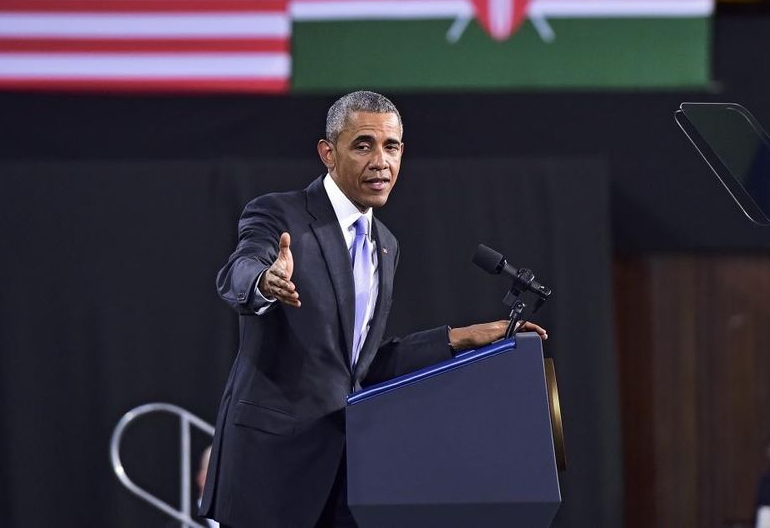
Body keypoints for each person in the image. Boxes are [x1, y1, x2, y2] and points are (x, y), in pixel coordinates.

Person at [200, 90, 547, 528]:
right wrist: (264, 281)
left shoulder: (386, 244)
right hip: (272, 473)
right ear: (328, 153)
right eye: (363, 145)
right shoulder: (279, 214)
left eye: (392, 146)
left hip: (349, 477)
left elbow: (361, 367)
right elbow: (239, 271)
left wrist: (461, 338)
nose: (380, 160)